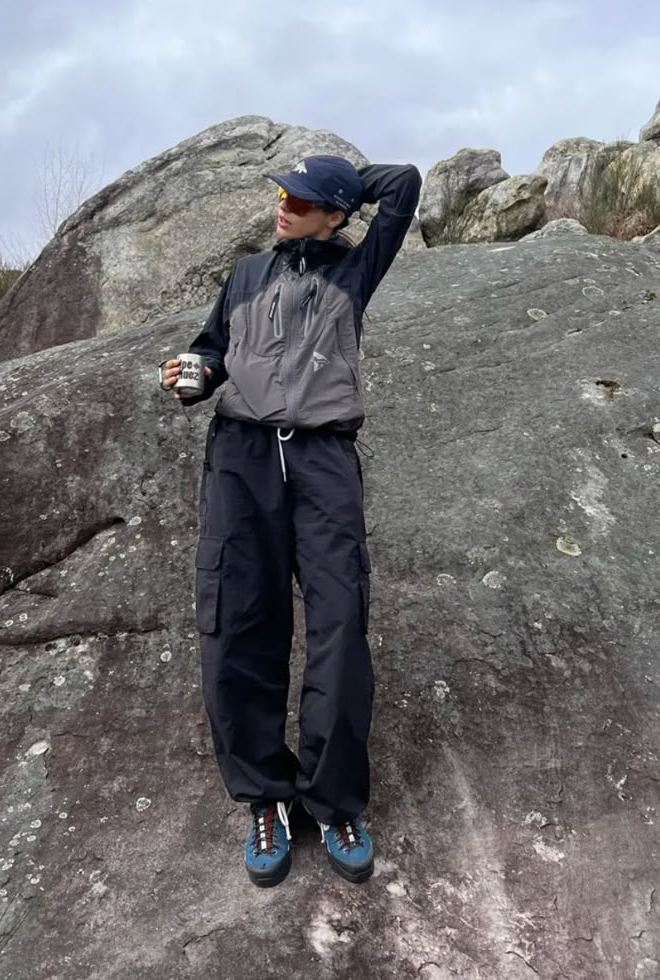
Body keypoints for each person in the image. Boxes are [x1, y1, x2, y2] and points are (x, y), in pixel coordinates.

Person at [161, 153, 421, 887]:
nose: (284, 206)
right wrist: (195, 375)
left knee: (340, 619)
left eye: (301, 200)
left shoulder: (356, 268)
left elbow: (402, 183)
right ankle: (265, 798)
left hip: (323, 459)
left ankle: (334, 800)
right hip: (241, 457)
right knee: (237, 618)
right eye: (283, 192)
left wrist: (338, 188)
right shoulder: (246, 274)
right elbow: (212, 348)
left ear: (336, 214)